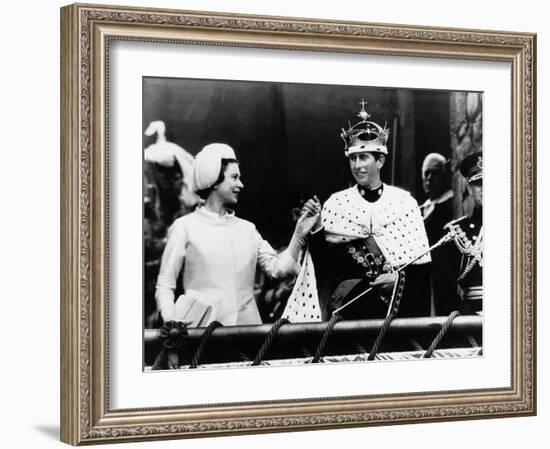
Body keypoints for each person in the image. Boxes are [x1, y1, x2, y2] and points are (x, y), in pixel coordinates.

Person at [154, 143, 320, 326]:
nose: (240, 184)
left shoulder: (247, 229)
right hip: (200, 336)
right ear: (214, 180)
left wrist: (299, 235)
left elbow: (278, 269)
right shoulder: (185, 226)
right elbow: (165, 284)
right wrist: (170, 319)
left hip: (247, 336)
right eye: (234, 177)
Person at [298, 100, 431, 320]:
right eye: (352, 158)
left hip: (394, 315)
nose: (357, 165)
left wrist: (397, 280)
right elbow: (325, 268)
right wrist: (318, 227)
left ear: (379, 161)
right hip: (351, 312)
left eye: (363, 157)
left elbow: (422, 270)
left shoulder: (404, 203)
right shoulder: (336, 204)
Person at [419, 153, 460, 315]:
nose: (429, 179)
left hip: (445, 279)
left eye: (435, 173)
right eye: (426, 173)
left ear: (445, 176)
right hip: (424, 281)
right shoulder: (422, 209)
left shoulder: (451, 206)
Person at [450, 151, 483, 314]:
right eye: (480, 183)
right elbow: (446, 294)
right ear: (470, 189)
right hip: (472, 318)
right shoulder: (457, 232)